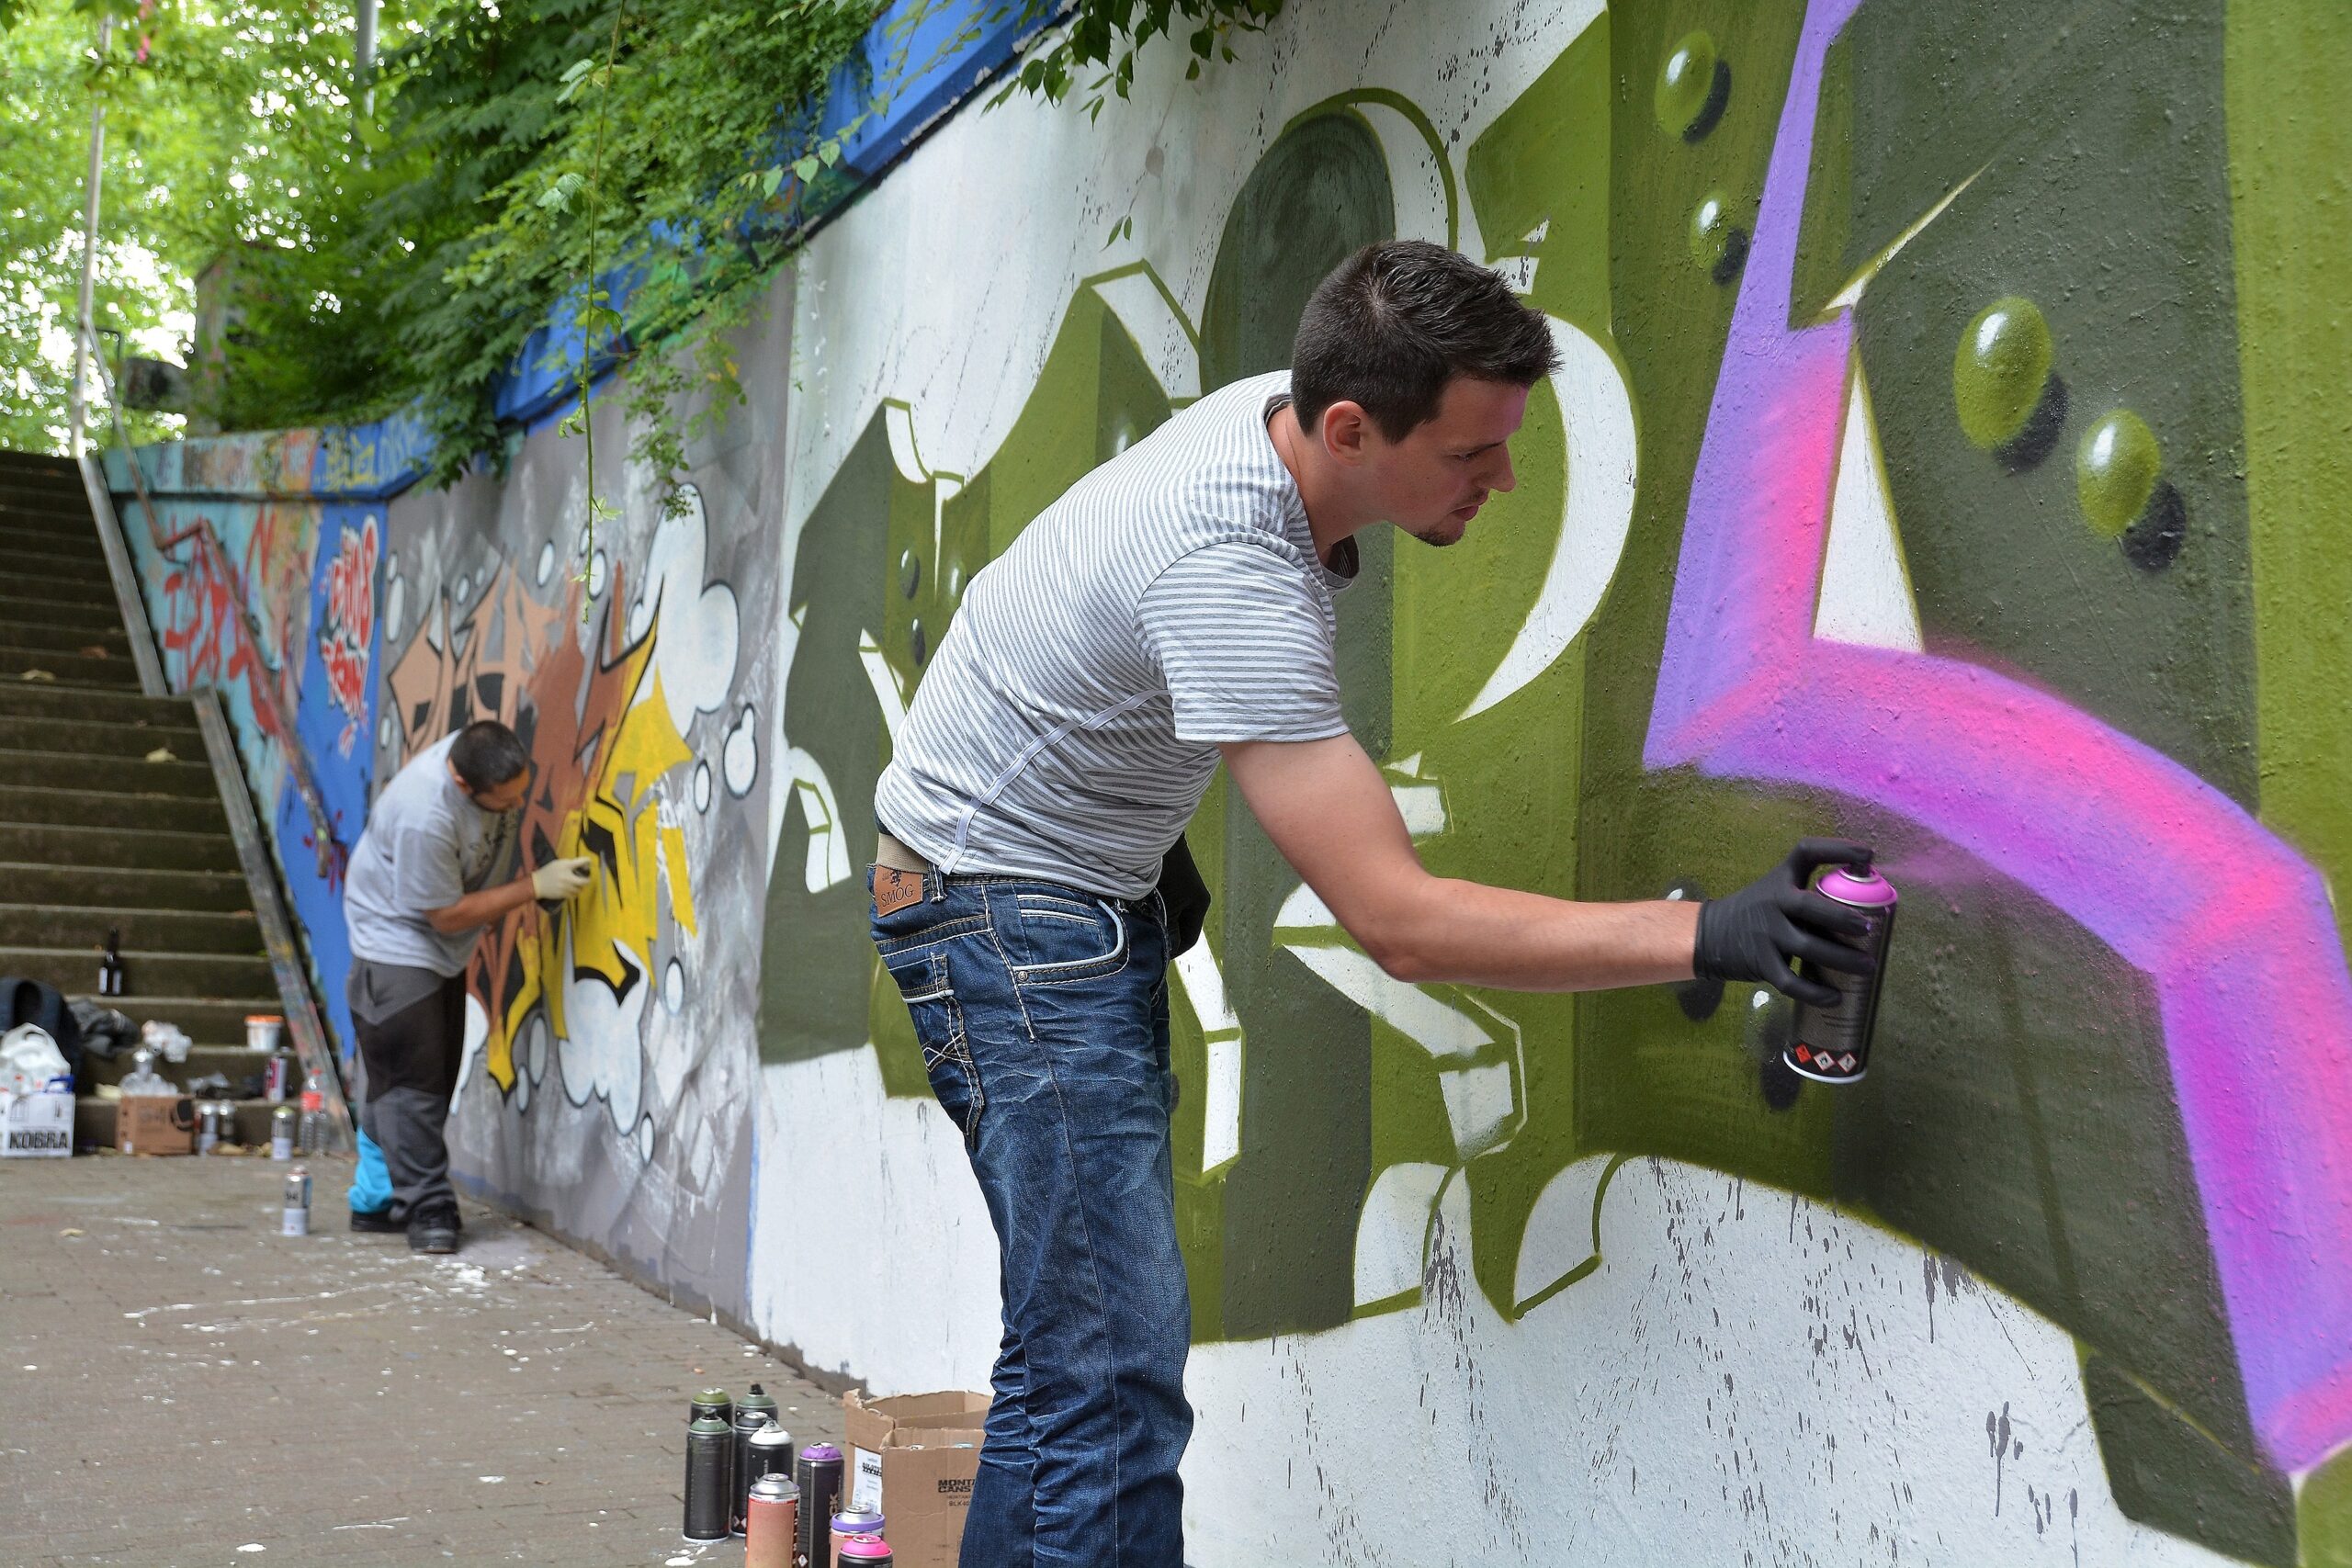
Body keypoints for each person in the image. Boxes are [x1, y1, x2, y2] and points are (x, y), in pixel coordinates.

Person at [867, 240, 1875, 1566]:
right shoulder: (1233, 564)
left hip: (1030, 889)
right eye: (1470, 453)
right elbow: (1398, 921)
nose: (1503, 477)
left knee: (1077, 1363)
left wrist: (1112, 813)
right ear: (1349, 426)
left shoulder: (1271, 422)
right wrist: (1706, 931)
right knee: (1106, 1379)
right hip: (1012, 920)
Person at [341, 719, 594, 1252]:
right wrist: (532, 887)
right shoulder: (424, 816)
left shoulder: (483, 760)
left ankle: (375, 1197)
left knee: (412, 1077)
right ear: (464, 786)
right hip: (396, 944)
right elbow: (446, 915)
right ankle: (428, 1208)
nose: (515, 805)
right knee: (415, 1083)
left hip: (439, 951)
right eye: (504, 801)